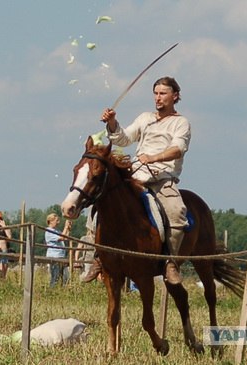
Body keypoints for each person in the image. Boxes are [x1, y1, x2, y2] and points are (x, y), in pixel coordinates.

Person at [84, 76, 191, 285]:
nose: (158, 98)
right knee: (99, 204)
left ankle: (170, 261)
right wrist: (112, 123)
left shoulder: (181, 122)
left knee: (177, 212)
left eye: (163, 93)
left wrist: (154, 157)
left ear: (175, 96)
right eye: (156, 93)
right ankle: (96, 257)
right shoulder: (145, 118)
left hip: (163, 178)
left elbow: (178, 149)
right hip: (137, 175)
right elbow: (124, 139)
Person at [45, 213, 72, 288]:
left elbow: (65, 238)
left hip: (61, 256)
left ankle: (62, 291)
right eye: (56, 220)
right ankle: (52, 292)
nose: (58, 222)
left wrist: (68, 229)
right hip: (54, 256)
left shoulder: (57, 231)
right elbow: (61, 238)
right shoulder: (48, 231)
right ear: (51, 221)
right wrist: (65, 227)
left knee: (65, 276)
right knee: (55, 277)